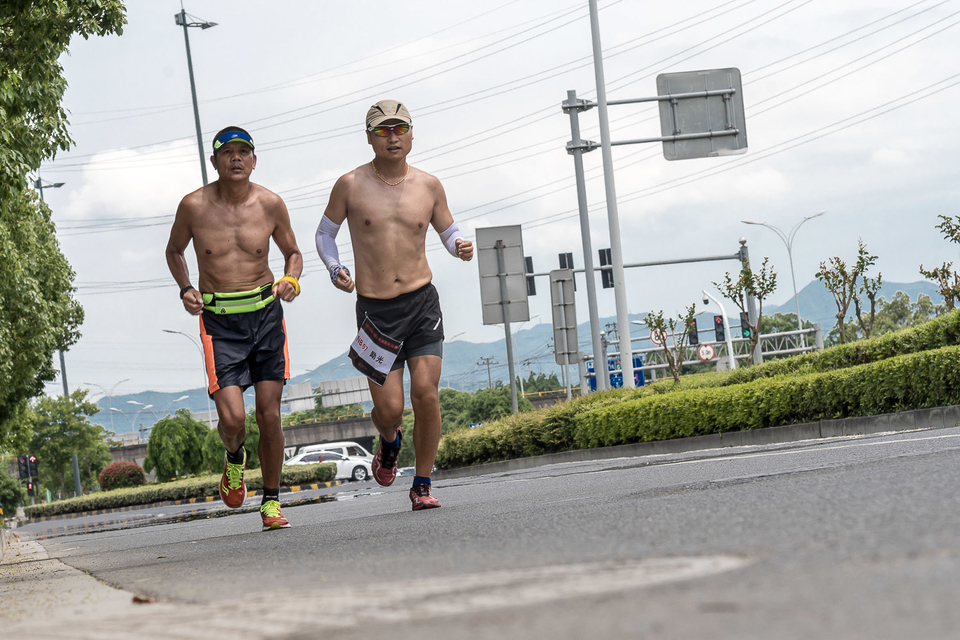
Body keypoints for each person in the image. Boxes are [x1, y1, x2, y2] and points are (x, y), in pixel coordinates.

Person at [316, 99, 473, 510]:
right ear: (369, 137)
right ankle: (389, 442)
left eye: (400, 129)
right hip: (375, 310)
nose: (392, 137)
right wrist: (335, 269)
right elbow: (324, 234)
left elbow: (447, 227)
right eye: (383, 131)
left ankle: (422, 483)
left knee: (426, 392)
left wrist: (458, 245)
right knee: (389, 410)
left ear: (411, 134)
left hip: (422, 303)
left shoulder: (429, 184)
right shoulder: (349, 185)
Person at [165, 126, 303, 531]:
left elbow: (292, 253)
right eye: (228, 153)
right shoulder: (193, 206)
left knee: (270, 415)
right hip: (219, 322)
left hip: (265, 317)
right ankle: (234, 458)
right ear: (215, 162)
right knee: (233, 421)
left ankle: (272, 503)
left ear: (254, 159)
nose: (237, 158)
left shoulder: (271, 204)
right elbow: (174, 250)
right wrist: (186, 288)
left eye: (244, 152)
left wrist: (291, 280)